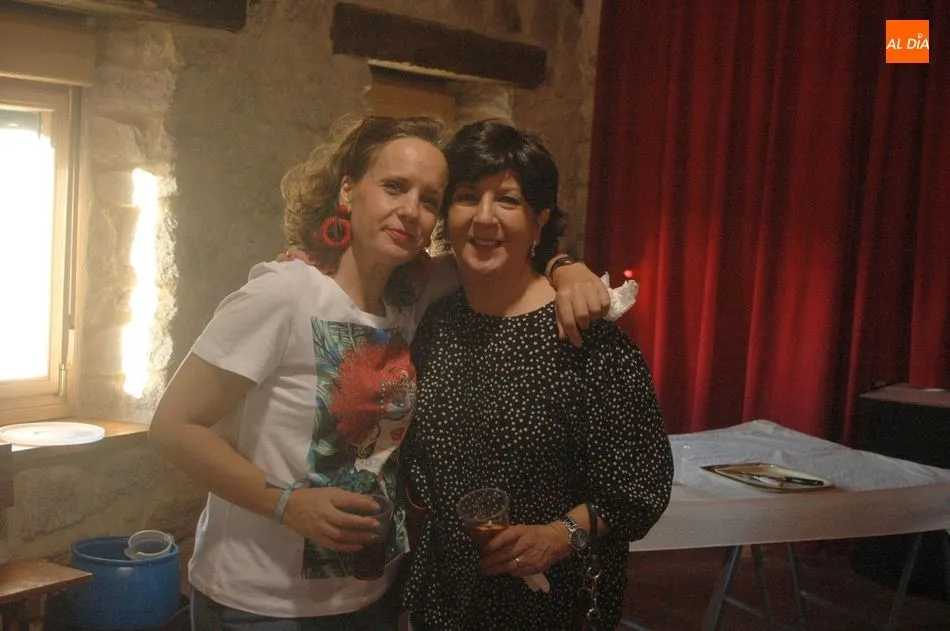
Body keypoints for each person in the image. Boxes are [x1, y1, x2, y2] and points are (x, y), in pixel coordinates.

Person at [149, 115, 611, 630]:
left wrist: (566, 266)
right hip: (261, 603)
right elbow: (173, 427)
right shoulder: (282, 294)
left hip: (372, 595)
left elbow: (501, 252)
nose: (411, 210)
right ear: (348, 190)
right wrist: (288, 504)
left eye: (430, 200)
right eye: (394, 187)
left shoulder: (413, 299)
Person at [401, 120, 673, 631]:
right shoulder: (434, 321)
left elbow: (638, 484)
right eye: (466, 196)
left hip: (551, 605)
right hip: (444, 600)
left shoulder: (584, 336)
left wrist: (557, 535)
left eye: (507, 200)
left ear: (539, 220)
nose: (484, 217)